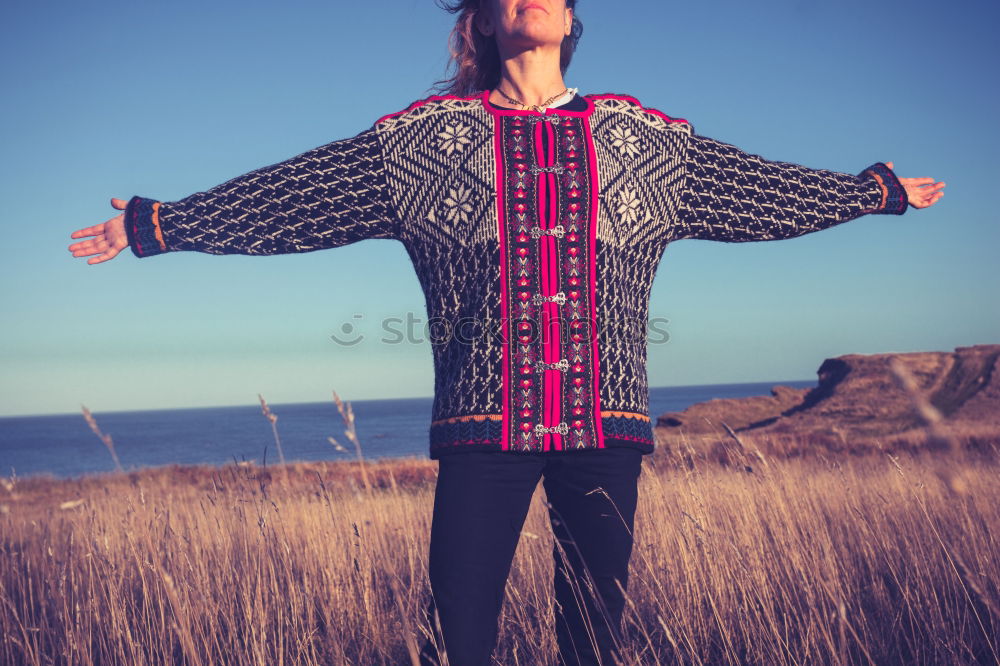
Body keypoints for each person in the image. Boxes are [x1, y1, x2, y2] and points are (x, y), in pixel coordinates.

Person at [68, 1, 945, 663]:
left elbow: (764, 194)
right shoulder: (422, 143)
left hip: (607, 429)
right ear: (481, 22)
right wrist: (160, 223)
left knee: (595, 638)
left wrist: (873, 191)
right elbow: (300, 196)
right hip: (483, 429)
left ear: (571, 20)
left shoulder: (647, 142)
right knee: (458, 634)